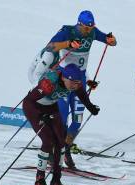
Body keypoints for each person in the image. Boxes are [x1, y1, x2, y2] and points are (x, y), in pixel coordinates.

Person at [48, 10, 116, 168]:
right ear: (80, 24)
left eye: (92, 27)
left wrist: (112, 40)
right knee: (63, 119)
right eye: (87, 27)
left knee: (77, 121)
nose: (89, 30)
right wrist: (68, 44)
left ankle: (66, 149)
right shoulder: (68, 31)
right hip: (64, 79)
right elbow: (50, 47)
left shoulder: (92, 32)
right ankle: (54, 151)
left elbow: (109, 40)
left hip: (80, 80)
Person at [22, 64, 100, 185]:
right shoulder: (50, 82)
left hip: (51, 106)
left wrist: (91, 107)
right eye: (73, 83)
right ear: (64, 78)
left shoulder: (75, 82)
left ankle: (56, 181)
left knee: (61, 142)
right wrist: (41, 116)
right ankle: (39, 182)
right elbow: (31, 100)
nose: (75, 86)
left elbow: (82, 95)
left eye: (78, 83)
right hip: (33, 107)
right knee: (48, 141)